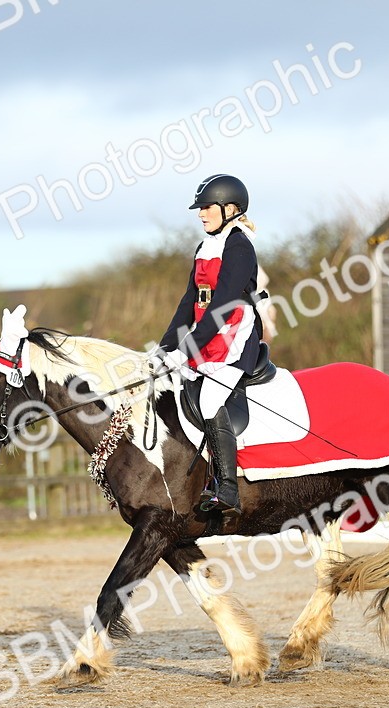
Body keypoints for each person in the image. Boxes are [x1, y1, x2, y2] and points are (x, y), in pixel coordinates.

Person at [153, 173, 263, 520]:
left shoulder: (239, 246)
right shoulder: (204, 248)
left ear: (230, 209)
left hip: (234, 334)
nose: (200, 214)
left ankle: (228, 488)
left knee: (210, 398)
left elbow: (225, 303)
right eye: (199, 208)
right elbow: (190, 302)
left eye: (206, 208)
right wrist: (164, 347)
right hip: (207, 331)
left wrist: (186, 350)